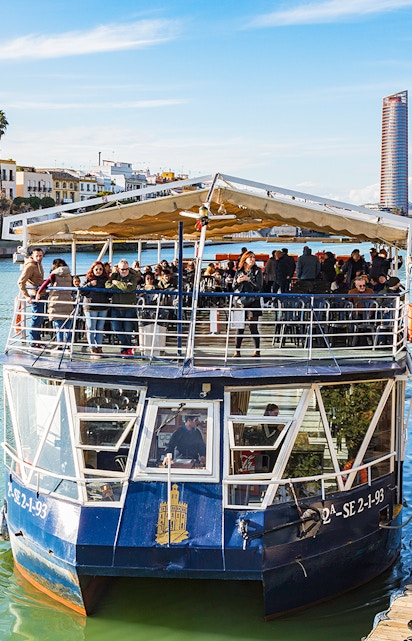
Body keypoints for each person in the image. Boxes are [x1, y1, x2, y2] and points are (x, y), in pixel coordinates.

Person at [105, 259, 140, 356]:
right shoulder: (114, 276)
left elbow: (129, 288)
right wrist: (120, 285)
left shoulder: (132, 277)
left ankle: (125, 350)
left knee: (128, 330)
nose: (123, 271)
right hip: (116, 307)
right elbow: (107, 285)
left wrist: (116, 283)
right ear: (118, 269)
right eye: (121, 269)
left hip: (129, 307)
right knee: (116, 329)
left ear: (128, 268)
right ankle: (129, 346)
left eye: (125, 269)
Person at [36, 258, 73, 346]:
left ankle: (60, 345)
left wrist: (38, 292)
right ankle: (68, 345)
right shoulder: (69, 275)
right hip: (68, 302)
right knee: (68, 326)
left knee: (58, 326)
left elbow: (45, 284)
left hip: (56, 303)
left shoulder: (54, 275)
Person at [233, 250, 263, 358]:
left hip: (253, 301)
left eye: (254, 257)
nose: (252, 259)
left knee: (253, 326)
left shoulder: (257, 271)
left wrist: (249, 279)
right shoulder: (239, 270)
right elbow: (233, 287)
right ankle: (237, 351)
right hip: (240, 302)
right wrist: (238, 281)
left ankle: (257, 351)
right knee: (239, 327)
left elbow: (259, 286)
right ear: (245, 259)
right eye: (250, 257)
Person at [17, 247, 46, 347]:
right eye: (37, 256)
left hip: (41, 294)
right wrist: (26, 296)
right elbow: (21, 282)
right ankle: (33, 342)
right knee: (36, 318)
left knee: (40, 318)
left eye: (40, 255)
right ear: (33, 256)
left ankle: (37, 340)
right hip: (34, 295)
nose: (39, 257)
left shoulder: (39, 264)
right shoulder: (30, 266)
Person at [82, 261, 110, 356]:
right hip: (90, 306)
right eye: (96, 269)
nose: (98, 271)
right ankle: (92, 347)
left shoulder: (106, 280)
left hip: (102, 306)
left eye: (100, 269)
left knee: (100, 328)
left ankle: (99, 346)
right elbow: (82, 291)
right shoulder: (88, 278)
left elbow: (109, 293)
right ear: (93, 270)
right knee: (91, 327)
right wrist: (90, 285)